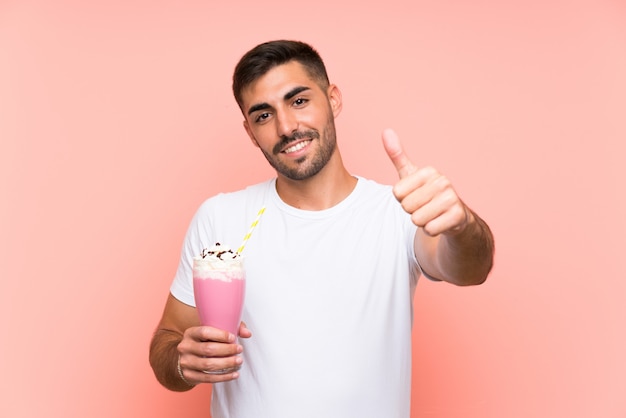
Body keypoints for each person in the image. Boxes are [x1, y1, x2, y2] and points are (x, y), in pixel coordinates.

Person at [149, 40, 494, 418]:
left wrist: (461, 226)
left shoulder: (399, 212)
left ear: (333, 99)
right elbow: (168, 342)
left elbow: (471, 269)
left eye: (299, 101)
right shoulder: (220, 218)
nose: (286, 127)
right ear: (249, 131)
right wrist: (183, 362)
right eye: (264, 116)